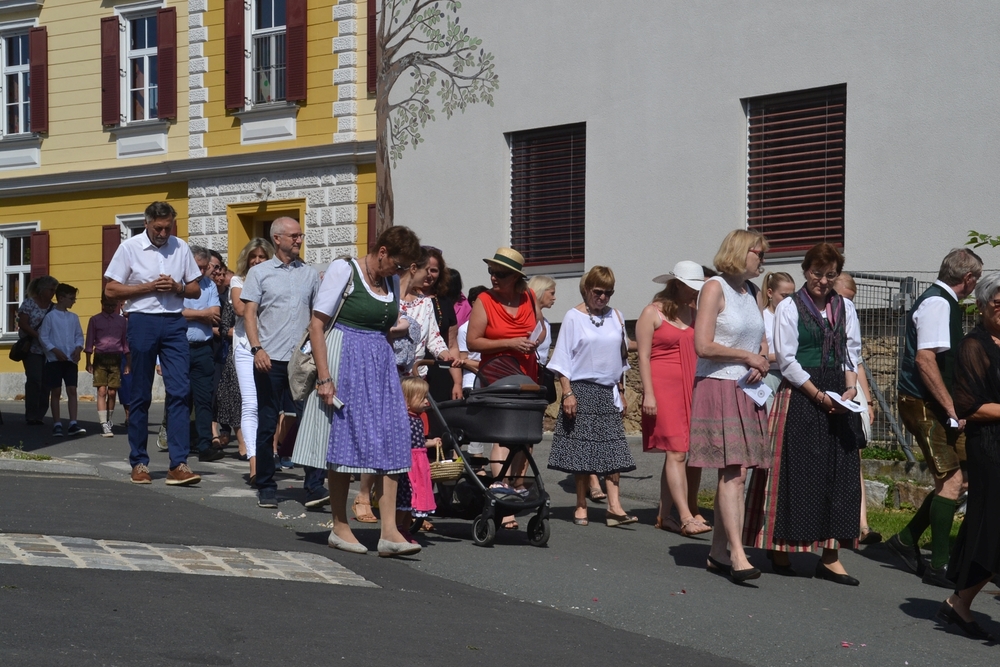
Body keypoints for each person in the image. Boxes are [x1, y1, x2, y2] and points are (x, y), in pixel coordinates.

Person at [743, 243, 864, 585]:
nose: (823, 281)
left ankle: (830, 556)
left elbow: (851, 351)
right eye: (816, 273)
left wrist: (850, 388)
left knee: (840, 475)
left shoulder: (845, 307)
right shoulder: (789, 307)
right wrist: (818, 395)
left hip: (838, 392)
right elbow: (787, 360)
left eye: (830, 275)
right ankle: (781, 547)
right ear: (805, 271)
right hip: (801, 393)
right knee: (796, 473)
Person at [308, 225, 424, 557]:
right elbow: (317, 324)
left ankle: (389, 532)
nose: (399, 273)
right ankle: (339, 526)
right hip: (346, 359)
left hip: (381, 365)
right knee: (345, 440)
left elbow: (385, 328)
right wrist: (325, 377)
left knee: (393, 437)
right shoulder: (344, 270)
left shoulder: (391, 282)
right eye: (397, 265)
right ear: (382, 251)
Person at [885, 248, 982, 588]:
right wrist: (952, 408)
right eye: (976, 279)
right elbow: (925, 361)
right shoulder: (938, 303)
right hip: (924, 403)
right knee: (951, 481)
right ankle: (939, 566)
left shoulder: (943, 302)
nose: (975, 285)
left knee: (961, 478)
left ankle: (905, 541)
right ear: (967, 278)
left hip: (936, 403)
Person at [689, 229, 770, 584]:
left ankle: (718, 552)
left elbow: (761, 340)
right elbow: (703, 345)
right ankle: (737, 553)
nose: (763, 260)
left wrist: (761, 358)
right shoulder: (714, 287)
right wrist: (746, 356)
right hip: (719, 385)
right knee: (733, 473)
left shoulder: (752, 291)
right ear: (740, 252)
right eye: (759, 253)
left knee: (739, 472)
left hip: (748, 389)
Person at [104, 201, 203, 486]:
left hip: (174, 322)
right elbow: (110, 289)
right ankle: (139, 462)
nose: (162, 233)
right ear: (146, 223)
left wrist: (177, 287)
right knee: (140, 393)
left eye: (167, 228)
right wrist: (147, 287)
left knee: (180, 391)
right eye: (158, 228)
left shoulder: (180, 247)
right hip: (142, 321)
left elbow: (195, 289)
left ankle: (179, 464)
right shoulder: (129, 247)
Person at [241, 217, 326, 510]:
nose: (299, 240)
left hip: (302, 361)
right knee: (267, 423)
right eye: (294, 236)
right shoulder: (260, 273)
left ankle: (314, 485)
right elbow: (249, 314)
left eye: (300, 235)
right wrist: (257, 349)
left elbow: (317, 316)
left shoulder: (310, 274)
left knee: (310, 422)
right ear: (277, 239)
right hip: (270, 359)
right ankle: (266, 484)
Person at [547, 266, 637, 528]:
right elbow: (563, 359)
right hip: (582, 390)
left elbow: (620, 357)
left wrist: (621, 391)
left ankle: (614, 507)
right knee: (583, 451)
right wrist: (567, 393)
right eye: (598, 291)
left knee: (613, 450)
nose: (603, 297)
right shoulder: (573, 317)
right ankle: (580, 504)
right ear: (586, 289)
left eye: (608, 292)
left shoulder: (616, 316)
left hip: (608, 391)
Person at [937, 272, 1000, 641]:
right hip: (990, 447)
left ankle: (959, 600)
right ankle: (960, 602)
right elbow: (969, 406)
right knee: (991, 528)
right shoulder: (973, 346)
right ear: (982, 306)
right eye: (997, 303)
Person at [467, 248, 541, 529]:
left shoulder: (529, 296)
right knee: (502, 436)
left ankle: (516, 490)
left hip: (526, 376)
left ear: (516, 277)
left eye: (500, 274)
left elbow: (540, 326)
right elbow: (473, 342)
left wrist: (537, 338)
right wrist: (510, 343)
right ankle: (502, 496)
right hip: (497, 376)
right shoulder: (485, 300)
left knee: (522, 439)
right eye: (491, 272)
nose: (493, 277)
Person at [638, 261, 710, 536]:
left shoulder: (695, 312)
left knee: (681, 451)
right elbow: (643, 356)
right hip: (663, 388)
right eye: (692, 287)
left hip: (691, 385)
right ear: (677, 284)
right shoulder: (652, 312)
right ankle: (685, 516)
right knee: (677, 451)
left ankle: (664, 514)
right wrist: (649, 394)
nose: (695, 292)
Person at [833, 272, 882, 546]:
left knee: (856, 456)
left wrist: (868, 402)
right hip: (829, 387)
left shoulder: (850, 317)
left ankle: (862, 525)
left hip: (852, 390)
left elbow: (857, 361)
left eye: (852, 300)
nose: (848, 304)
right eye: (844, 298)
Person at [231, 238, 274, 483]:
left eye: (262, 257)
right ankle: (254, 462)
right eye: (253, 257)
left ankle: (269, 454)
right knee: (250, 404)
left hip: (272, 346)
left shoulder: (275, 278)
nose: (257, 261)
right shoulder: (238, 281)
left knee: (270, 405)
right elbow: (240, 309)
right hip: (245, 346)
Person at [183, 246, 225, 463]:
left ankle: (204, 445)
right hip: (180, 347)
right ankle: (180, 444)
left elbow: (215, 314)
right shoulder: (178, 284)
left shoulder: (210, 286)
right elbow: (175, 313)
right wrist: (203, 314)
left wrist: (192, 315)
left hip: (203, 349)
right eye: (196, 266)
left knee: (204, 399)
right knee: (181, 398)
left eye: (203, 267)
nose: (200, 272)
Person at [395, 376, 439, 542]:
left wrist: (431, 442)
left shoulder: (418, 418)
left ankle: (405, 529)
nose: (426, 401)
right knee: (405, 498)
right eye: (422, 398)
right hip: (409, 463)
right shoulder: (404, 419)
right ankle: (396, 528)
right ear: (406, 400)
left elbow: (419, 441)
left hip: (419, 463)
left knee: (414, 500)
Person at [38, 283, 85, 437]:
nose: (74, 301)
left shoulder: (74, 317)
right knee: (56, 391)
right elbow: (43, 337)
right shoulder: (50, 317)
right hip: (54, 360)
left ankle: (73, 423)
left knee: (72, 389)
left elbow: (79, 336)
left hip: (70, 360)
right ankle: (57, 423)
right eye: (71, 298)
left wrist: (78, 348)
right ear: (61, 298)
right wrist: (54, 350)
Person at [420, 246, 463, 402]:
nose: (429, 274)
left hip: (440, 371)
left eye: (434, 270)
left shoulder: (444, 302)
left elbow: (452, 346)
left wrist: (457, 382)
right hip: (412, 372)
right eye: (425, 269)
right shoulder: (404, 298)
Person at [85, 296, 129, 437]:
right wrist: (88, 362)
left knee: (112, 392)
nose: (110, 308)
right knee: (102, 390)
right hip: (100, 357)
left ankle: (109, 419)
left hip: (116, 357)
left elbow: (125, 343)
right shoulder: (95, 320)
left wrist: (128, 363)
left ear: (117, 305)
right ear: (102, 303)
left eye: (113, 305)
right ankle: (103, 422)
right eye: (107, 305)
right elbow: (89, 342)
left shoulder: (121, 321)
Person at [17, 275, 58, 425]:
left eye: (54, 290)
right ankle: (31, 414)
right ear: (42, 290)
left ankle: (40, 414)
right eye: (51, 290)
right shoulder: (29, 303)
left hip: (48, 350)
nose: (53, 293)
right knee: (34, 379)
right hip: (32, 349)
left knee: (46, 382)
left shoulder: (54, 307)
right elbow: (23, 324)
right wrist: (38, 336)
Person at [760, 271, 796, 411]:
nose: (789, 301)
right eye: (784, 296)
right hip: (768, 375)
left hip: (791, 376)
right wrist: (780, 357)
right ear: (770, 293)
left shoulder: (794, 316)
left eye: (792, 296)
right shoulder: (762, 317)